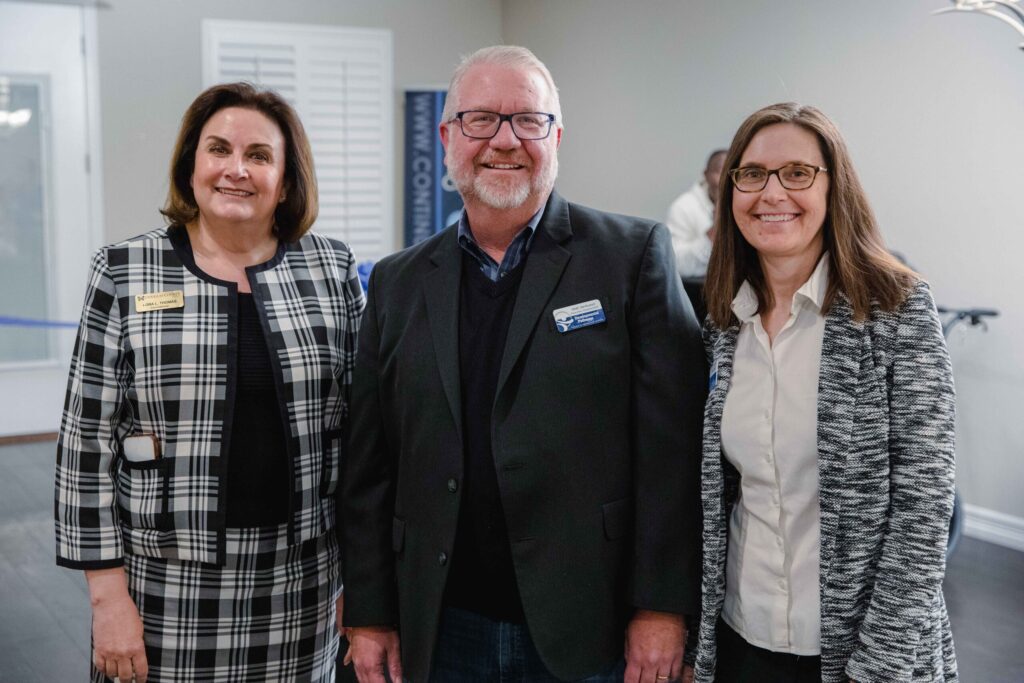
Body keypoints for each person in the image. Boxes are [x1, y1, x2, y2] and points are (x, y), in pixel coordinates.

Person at [339, 45, 706, 683]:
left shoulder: (631, 258)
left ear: (557, 136)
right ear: (446, 136)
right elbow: (369, 466)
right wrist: (369, 613)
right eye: (481, 119)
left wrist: (662, 606)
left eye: (528, 121)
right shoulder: (397, 283)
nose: (504, 140)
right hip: (441, 622)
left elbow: (672, 454)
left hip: (589, 627)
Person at [54, 82, 364, 682]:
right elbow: (84, 443)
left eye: (259, 155)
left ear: (287, 178)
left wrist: (367, 583)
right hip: (165, 583)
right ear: (191, 164)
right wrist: (107, 600)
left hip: (302, 583)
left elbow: (364, 433)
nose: (236, 170)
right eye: (218, 149)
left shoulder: (332, 268)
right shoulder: (125, 270)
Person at [693, 102, 958, 682]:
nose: (771, 193)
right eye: (752, 174)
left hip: (857, 652)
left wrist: (878, 669)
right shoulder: (722, 320)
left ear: (835, 187)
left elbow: (924, 511)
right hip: (742, 640)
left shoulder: (896, 309)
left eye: (797, 172)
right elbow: (723, 495)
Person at [666, 149, 726, 278]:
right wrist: (715, 230)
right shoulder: (683, 207)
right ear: (706, 174)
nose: (725, 180)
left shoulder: (748, 204)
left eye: (731, 172)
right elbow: (677, 264)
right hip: (697, 292)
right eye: (720, 171)